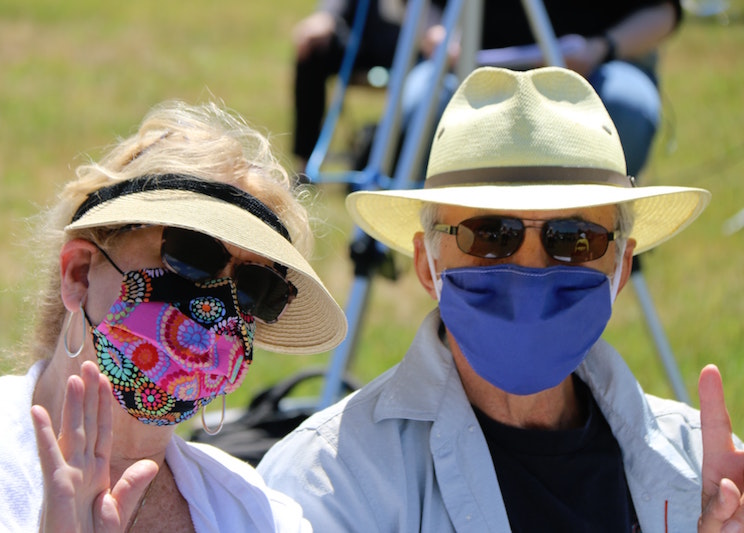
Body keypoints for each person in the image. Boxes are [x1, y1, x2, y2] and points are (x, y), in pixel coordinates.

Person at [258, 66, 743, 531]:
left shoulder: (700, 471)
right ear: (427, 264)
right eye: (490, 234)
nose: (531, 267)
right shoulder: (332, 484)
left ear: (620, 268)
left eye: (573, 238)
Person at [0, 99, 347, 531]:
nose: (218, 308)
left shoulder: (259, 515)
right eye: (192, 255)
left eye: (254, 288)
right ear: (79, 274)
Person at [400, 0, 681, 181]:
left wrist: (601, 47)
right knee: (421, 104)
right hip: (465, 70)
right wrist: (437, 36)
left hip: (593, 66)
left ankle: (595, 227)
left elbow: (662, 10)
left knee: (627, 106)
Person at [291, 0, 404, 174]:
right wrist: (324, 19)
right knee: (313, 50)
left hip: (410, 37)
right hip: (360, 37)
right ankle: (305, 164)